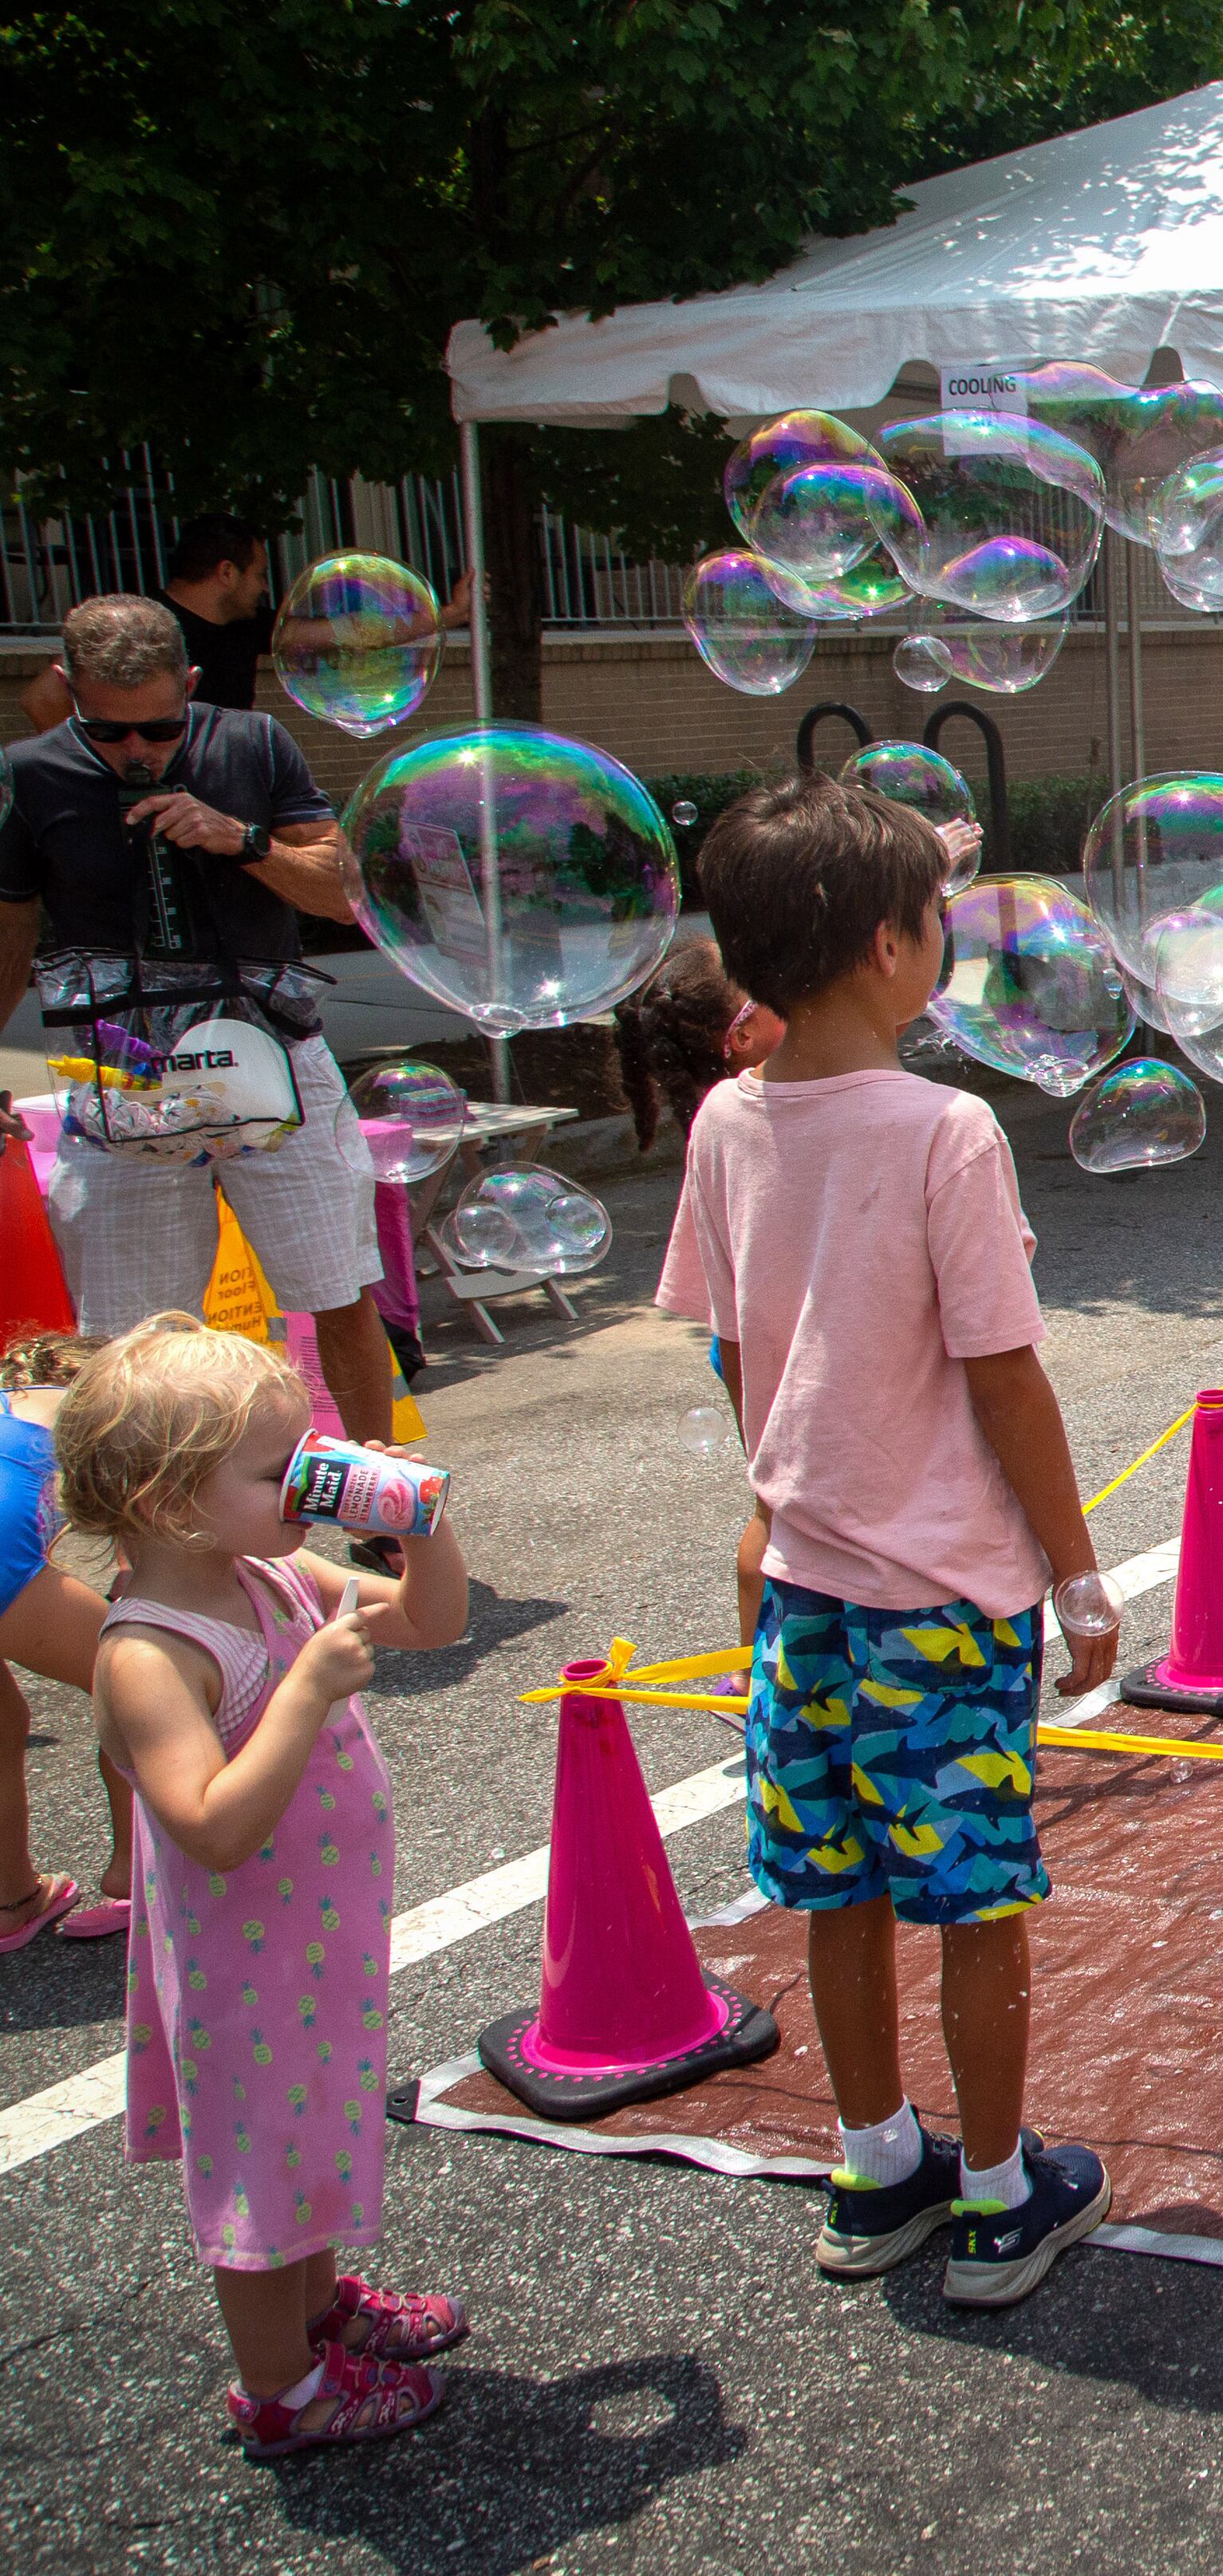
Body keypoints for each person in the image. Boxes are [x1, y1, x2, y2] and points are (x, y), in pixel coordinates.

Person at [656, 774, 1119, 2307]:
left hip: (806, 1586)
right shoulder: (950, 1131)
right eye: (932, 918)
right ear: (888, 952)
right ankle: (997, 2197)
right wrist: (1079, 1568)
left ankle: (872, 2172)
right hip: (942, 1598)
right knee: (974, 1896)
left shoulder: (727, 1117)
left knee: (835, 1888)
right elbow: (1005, 1373)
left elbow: (735, 1346)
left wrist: (774, 1489)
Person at [65, 1314, 471, 2455]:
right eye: (274, 1468)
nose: (310, 1481)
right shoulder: (148, 1649)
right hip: (243, 1961)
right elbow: (208, 1825)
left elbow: (435, 1621)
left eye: (310, 1456)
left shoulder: (271, 1566)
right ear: (162, 1499)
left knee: (310, 2134)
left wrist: (425, 1528)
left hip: (312, 1938)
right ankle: (282, 2392)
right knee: (261, 2165)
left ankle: (317, 2313)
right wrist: (303, 1692)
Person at [0, 597, 404, 1448]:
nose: (138, 751)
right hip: (122, 1079)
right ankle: (153, 1542)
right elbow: (8, 937)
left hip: (274, 1065)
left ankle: (378, 1503)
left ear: (189, 683)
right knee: (130, 1341)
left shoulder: (252, 744)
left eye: (158, 726)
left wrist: (242, 839)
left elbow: (343, 890)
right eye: (108, 733)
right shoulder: (30, 776)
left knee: (337, 1291)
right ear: (67, 690)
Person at [615, 937, 787, 1636]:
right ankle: (761, 1676)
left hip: (744, 1339)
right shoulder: (763, 1116)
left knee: (774, 1509)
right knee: (782, 1519)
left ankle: (756, 1678)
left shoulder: (719, 1120)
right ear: (743, 1032)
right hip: (777, 1341)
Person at [18, 517, 474, 734]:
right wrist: (106, 762)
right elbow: (41, 698)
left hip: (215, 782)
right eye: (257, 573)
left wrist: (449, 615)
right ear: (226, 573)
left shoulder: (250, 625)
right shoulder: (142, 624)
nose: (262, 587)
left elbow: (353, 632)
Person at [0, 1330, 135, 1949]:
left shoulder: (13, 1403)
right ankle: (140, 1878)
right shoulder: (106, 1412)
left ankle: (12, 1899)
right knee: (139, 1685)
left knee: (3, 1721)